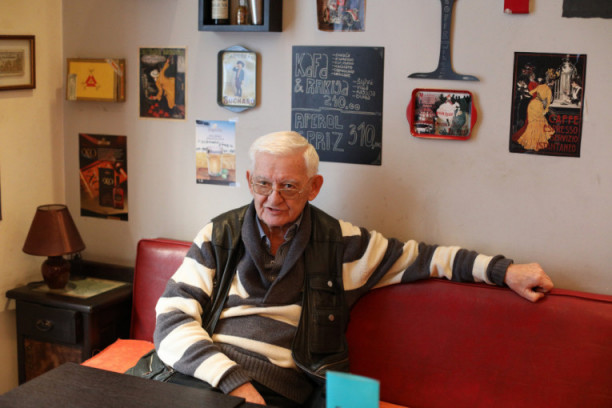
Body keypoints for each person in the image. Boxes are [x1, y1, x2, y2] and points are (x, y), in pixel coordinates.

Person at [154, 131, 553, 407]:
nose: (273, 198)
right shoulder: (219, 234)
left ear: (314, 187)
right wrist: (230, 380)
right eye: (263, 184)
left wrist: (504, 271)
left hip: (277, 389)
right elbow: (171, 320)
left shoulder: (342, 244)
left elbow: (426, 258)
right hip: (204, 373)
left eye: (289, 186)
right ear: (249, 181)